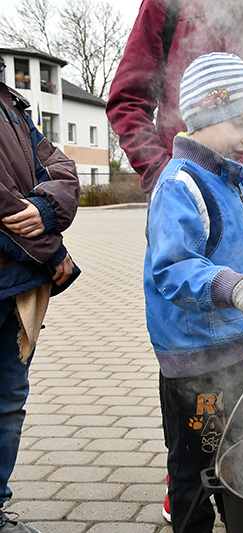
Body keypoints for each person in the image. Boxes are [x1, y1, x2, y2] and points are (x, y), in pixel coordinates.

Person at [144, 53, 243, 533]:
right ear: (206, 113)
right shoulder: (181, 183)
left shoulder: (234, 180)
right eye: (241, 124)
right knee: (195, 467)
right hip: (198, 362)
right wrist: (236, 286)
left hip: (237, 351)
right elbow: (173, 267)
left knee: (237, 453)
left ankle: (241, 520)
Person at [106, 0, 243, 285]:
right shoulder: (168, 4)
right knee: (185, 297)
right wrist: (167, 176)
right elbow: (128, 101)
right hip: (189, 211)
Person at [0, 57, 81, 533]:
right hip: (29, 265)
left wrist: (46, 210)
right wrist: (53, 252)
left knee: (9, 402)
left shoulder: (11, 103)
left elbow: (63, 170)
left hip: (17, 286)